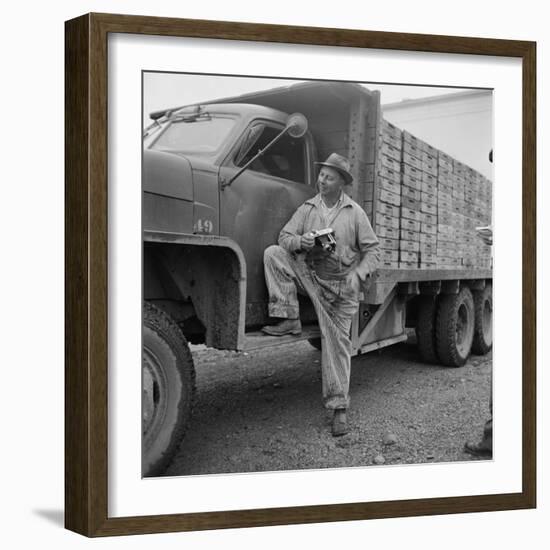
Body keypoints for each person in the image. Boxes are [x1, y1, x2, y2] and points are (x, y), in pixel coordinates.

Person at [261, 153, 380, 436]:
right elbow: (284, 238)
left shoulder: (354, 213)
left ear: (341, 183)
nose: (321, 180)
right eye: (321, 176)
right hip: (313, 279)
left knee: (336, 348)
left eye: (328, 177)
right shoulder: (307, 208)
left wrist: (359, 274)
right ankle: (287, 317)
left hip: (342, 290)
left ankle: (339, 408)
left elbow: (373, 251)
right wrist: (301, 241)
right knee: (274, 254)